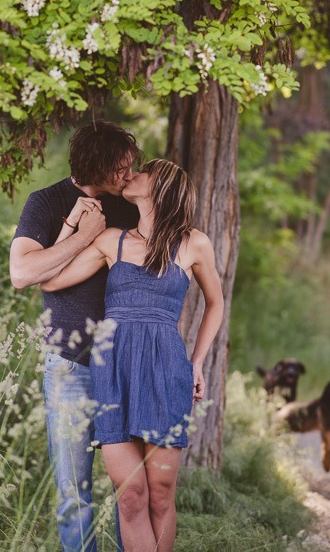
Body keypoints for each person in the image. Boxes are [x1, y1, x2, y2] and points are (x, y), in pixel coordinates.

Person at [41, 158, 224, 552]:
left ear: (161, 188)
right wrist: (71, 226)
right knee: (130, 496)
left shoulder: (195, 243)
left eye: (143, 171)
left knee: (159, 493)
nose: (131, 174)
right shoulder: (112, 240)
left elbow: (216, 304)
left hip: (166, 372)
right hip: (114, 374)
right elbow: (52, 279)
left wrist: (197, 362)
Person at [9, 121, 142, 552]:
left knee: (131, 489)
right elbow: (23, 273)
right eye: (120, 168)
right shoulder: (45, 202)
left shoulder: (132, 205)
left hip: (125, 364)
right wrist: (83, 235)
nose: (127, 175)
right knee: (73, 490)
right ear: (96, 164)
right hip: (69, 366)